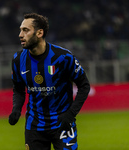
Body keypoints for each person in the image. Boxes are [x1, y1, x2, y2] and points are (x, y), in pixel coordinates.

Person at [9, 12, 90, 150]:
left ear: (39, 33)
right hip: (34, 125)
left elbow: (84, 85)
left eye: (25, 30)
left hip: (63, 124)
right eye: (20, 30)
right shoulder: (18, 60)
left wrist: (70, 114)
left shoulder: (64, 57)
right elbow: (18, 89)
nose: (20, 35)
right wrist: (16, 108)